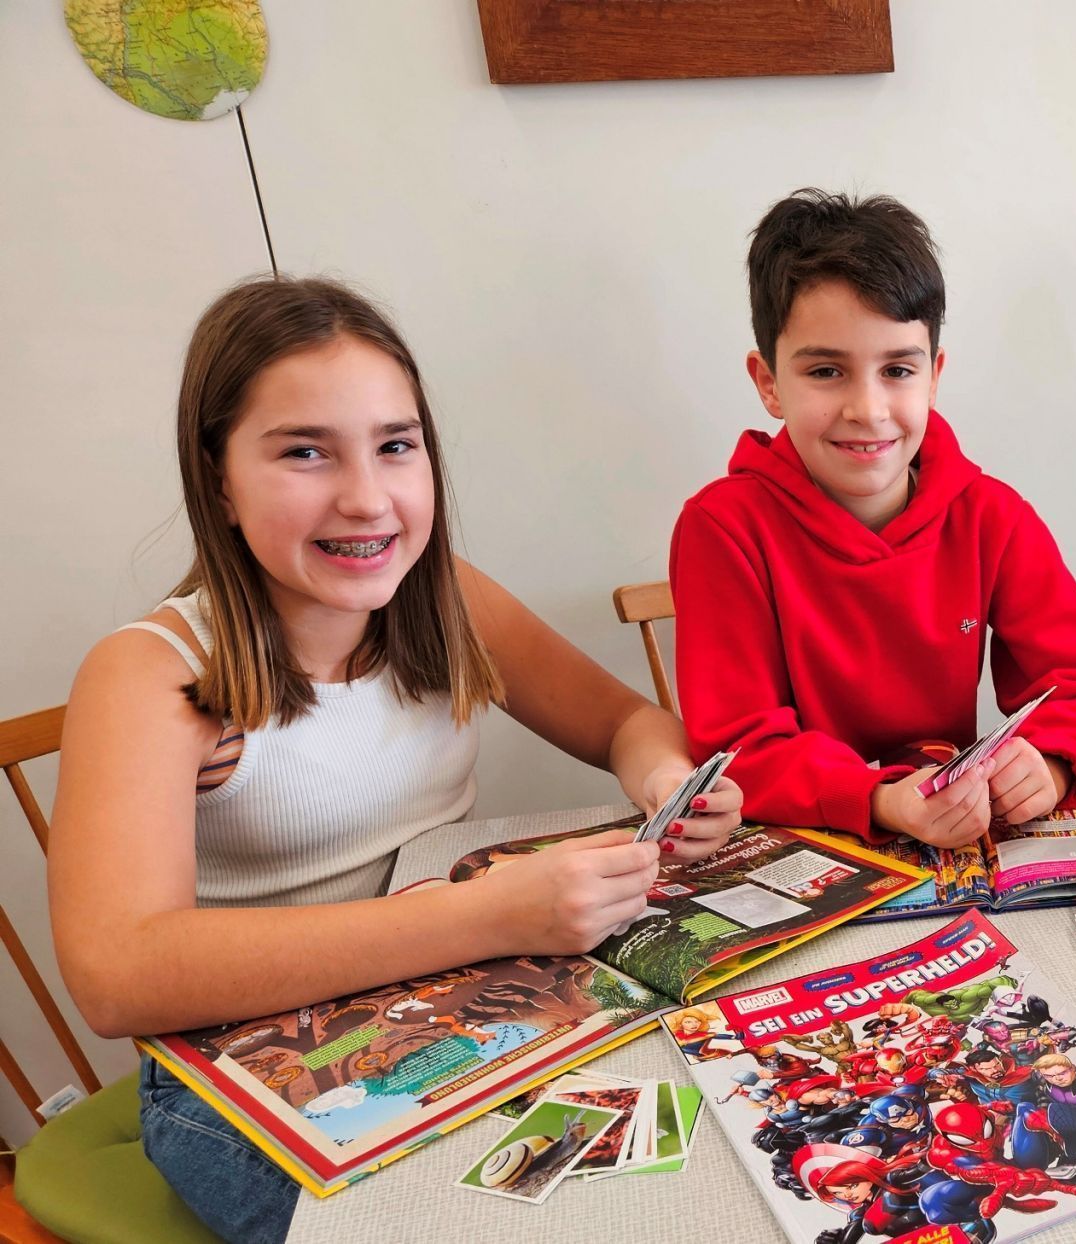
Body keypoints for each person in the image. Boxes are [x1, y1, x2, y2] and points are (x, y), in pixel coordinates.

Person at [46, 276, 744, 1243]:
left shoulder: (449, 598)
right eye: (303, 452)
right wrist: (477, 917)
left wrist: (665, 781)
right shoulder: (152, 673)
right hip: (239, 1073)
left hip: (457, 999)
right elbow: (117, 976)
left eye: (395, 446)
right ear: (217, 477)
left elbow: (629, 722)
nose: (367, 498)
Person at [670, 188, 1076, 846]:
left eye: (897, 370)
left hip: (953, 839)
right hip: (799, 843)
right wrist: (882, 799)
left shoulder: (990, 515)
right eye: (827, 370)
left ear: (934, 376)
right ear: (768, 383)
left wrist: (1049, 765)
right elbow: (739, 748)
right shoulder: (721, 529)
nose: (868, 409)